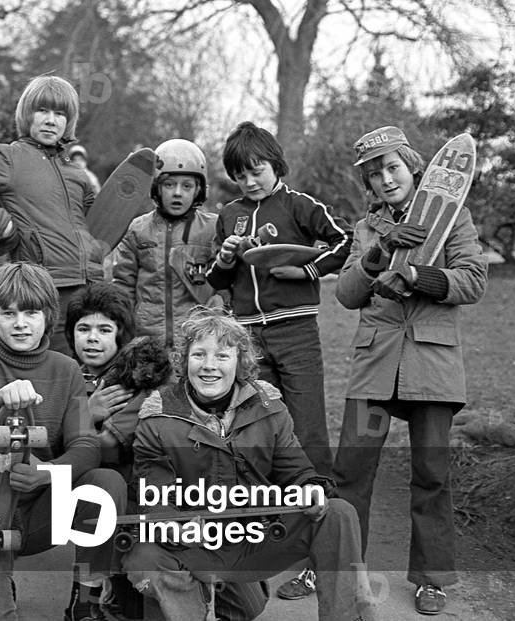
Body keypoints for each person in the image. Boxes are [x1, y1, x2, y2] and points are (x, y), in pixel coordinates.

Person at [122, 306, 376, 621]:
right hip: (193, 543)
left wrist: (310, 487)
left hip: (255, 537)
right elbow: (154, 493)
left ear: (240, 362)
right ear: (184, 360)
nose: (209, 366)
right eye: (199, 355)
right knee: (143, 558)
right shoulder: (157, 417)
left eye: (222, 356)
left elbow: (295, 469)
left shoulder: (269, 407)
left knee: (338, 513)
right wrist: (175, 524)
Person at [332, 126, 487, 615]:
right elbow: (347, 294)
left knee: (431, 474)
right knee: (352, 470)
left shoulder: (454, 216)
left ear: (413, 166)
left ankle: (431, 578)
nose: (385, 179)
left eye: (392, 167)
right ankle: (339, 569)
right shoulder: (367, 229)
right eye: (375, 174)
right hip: (375, 368)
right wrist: (379, 255)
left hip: (432, 367)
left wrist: (418, 275)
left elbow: (474, 279)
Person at [205, 121, 352, 600]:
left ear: (275, 166)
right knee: (255, 439)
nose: (250, 181)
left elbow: (344, 242)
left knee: (309, 433)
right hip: (248, 338)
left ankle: (320, 563)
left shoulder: (299, 205)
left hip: (296, 332)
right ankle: (262, 549)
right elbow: (217, 281)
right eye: (240, 174)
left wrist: (307, 267)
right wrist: (226, 257)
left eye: (258, 170)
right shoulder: (227, 215)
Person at [64, 283, 268, 621]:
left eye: (104, 330)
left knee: (248, 604)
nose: (92, 338)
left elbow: (107, 445)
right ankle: (87, 590)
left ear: (121, 337)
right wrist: (84, 411)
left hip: (163, 503)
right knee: (101, 486)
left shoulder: (138, 383)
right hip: (111, 500)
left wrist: (81, 418)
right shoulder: (67, 376)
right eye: (83, 329)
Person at [0, 262, 128, 621]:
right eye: (8, 313)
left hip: (41, 511)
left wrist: (47, 472)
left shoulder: (65, 368)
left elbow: (86, 447)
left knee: (105, 484)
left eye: (31, 312)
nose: (20, 323)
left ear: (49, 316)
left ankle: (86, 598)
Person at [0, 75, 104, 354]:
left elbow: (97, 223)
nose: (51, 120)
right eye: (42, 111)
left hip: (87, 290)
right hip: (43, 288)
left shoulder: (76, 172)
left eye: (60, 114)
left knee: (84, 377)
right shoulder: (9, 158)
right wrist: (4, 227)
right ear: (26, 114)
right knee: (50, 373)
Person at [113, 138, 223, 347]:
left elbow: (226, 281)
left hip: (197, 340)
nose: (178, 192)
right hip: (146, 340)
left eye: (187, 185)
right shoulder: (138, 229)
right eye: (169, 184)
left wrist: (218, 307)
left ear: (199, 190)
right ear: (156, 187)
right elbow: (123, 286)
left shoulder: (214, 229)